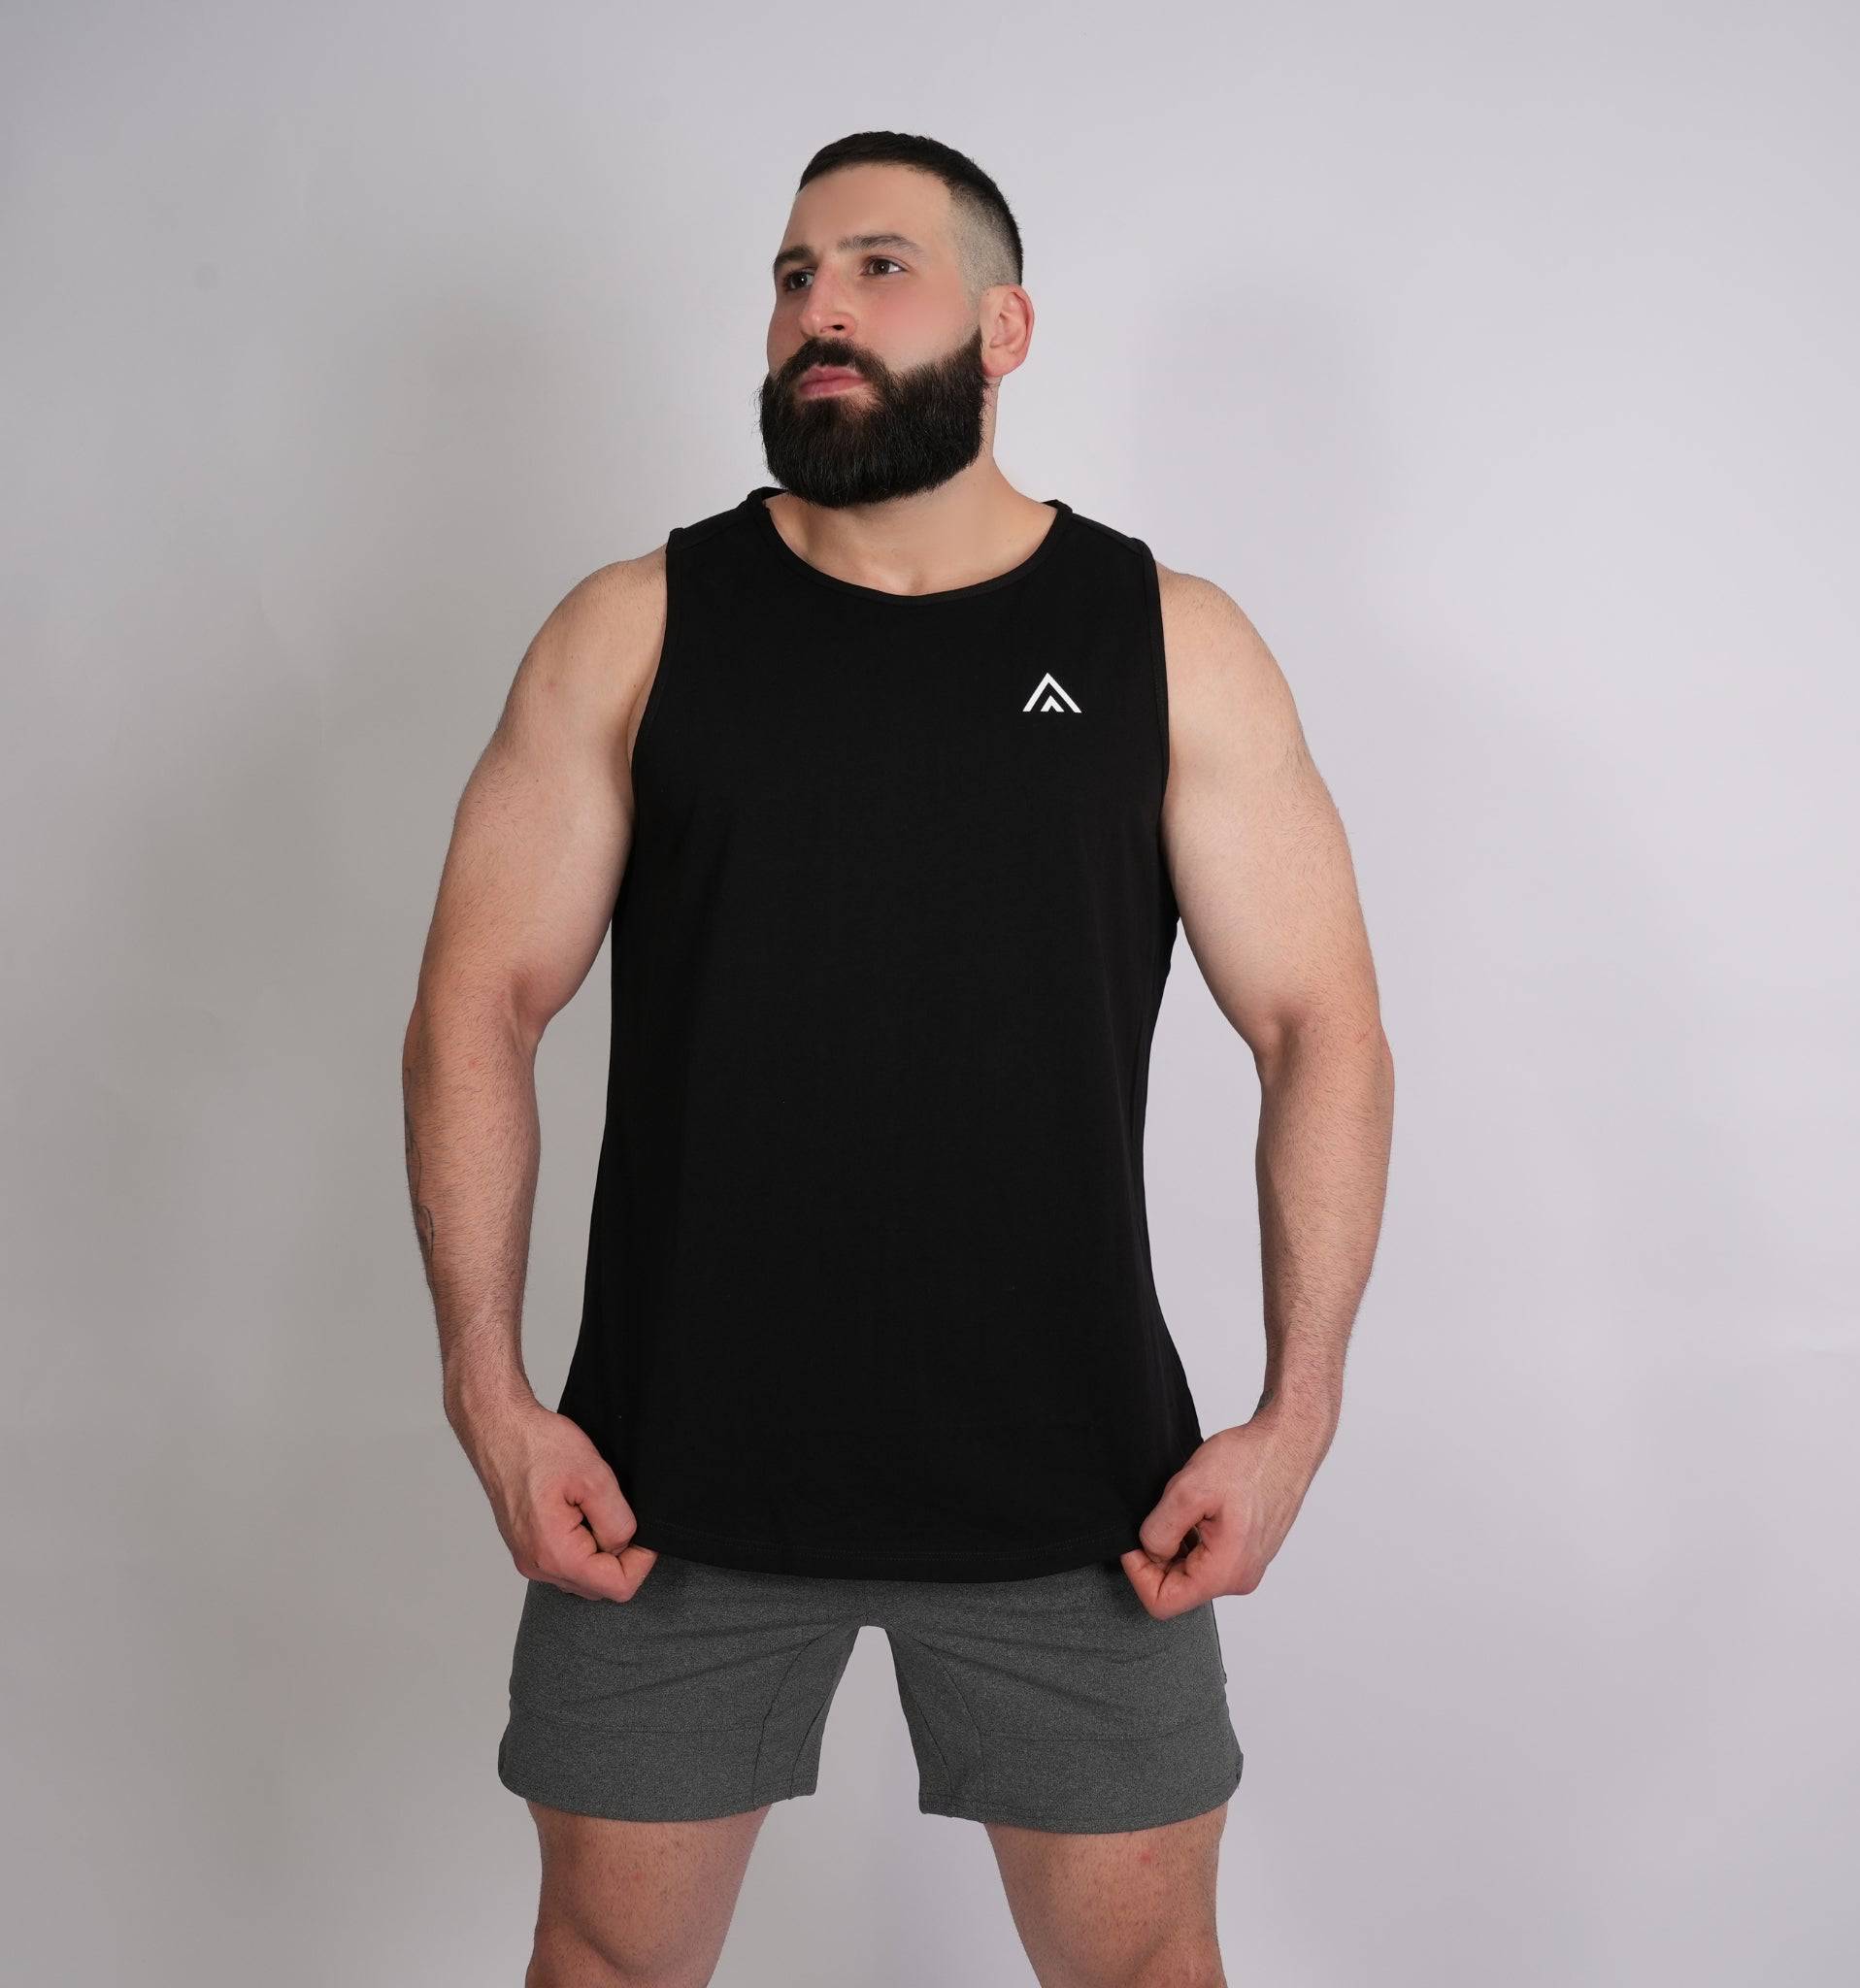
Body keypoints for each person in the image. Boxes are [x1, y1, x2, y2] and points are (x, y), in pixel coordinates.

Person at [401, 128, 1393, 1988]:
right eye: (794, 276)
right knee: (602, 1958)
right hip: (663, 1492)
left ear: (1004, 329)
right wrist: (488, 1389)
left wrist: (1300, 1412)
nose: (820, 312)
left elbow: (1317, 1026)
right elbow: (478, 1003)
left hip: (1082, 1498)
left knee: (1147, 1967)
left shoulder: (1167, 644)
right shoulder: (636, 630)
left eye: (877, 268)